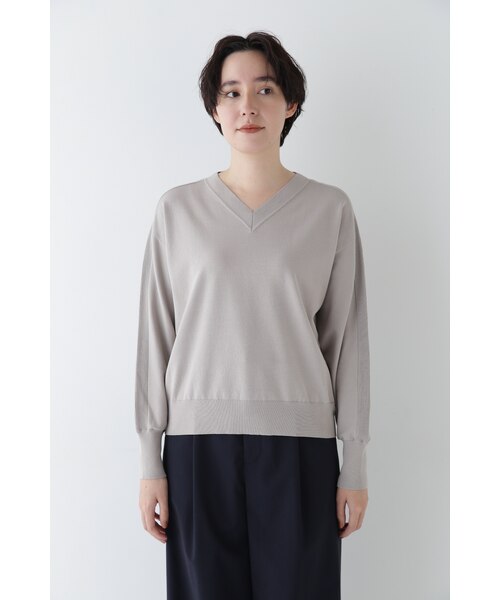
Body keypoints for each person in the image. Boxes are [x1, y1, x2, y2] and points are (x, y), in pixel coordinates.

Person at [135, 30, 371, 600]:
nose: (248, 106)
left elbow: (347, 341)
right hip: (196, 448)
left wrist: (355, 462)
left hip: (300, 449)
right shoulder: (177, 211)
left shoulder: (330, 209)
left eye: (265, 89)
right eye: (232, 92)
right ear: (215, 109)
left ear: (290, 103)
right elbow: (155, 338)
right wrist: (150, 460)